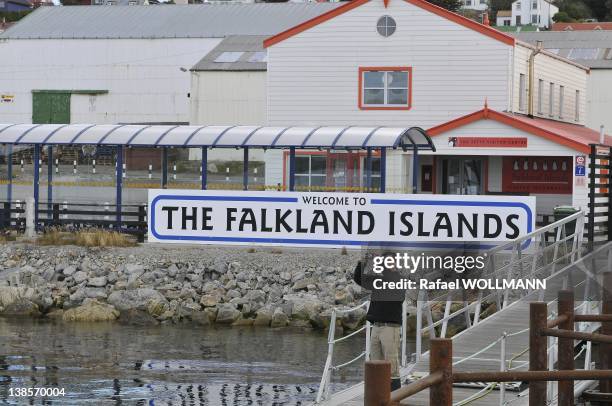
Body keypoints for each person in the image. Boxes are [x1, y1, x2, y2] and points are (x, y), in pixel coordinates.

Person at [353, 254, 405, 391]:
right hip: (376, 326)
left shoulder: (399, 279)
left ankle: (394, 398)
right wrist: (362, 262)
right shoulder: (379, 280)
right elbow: (359, 279)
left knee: (391, 367)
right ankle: (377, 395)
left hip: (390, 327)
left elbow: (399, 296)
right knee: (375, 363)